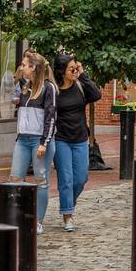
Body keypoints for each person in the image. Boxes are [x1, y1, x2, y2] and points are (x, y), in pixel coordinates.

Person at [52, 53, 103, 233]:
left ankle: (68, 204)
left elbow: (96, 94)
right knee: (66, 179)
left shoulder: (80, 86)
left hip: (80, 138)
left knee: (81, 178)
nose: (74, 71)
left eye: (76, 68)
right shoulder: (54, 90)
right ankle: (68, 215)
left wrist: (83, 74)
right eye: (71, 69)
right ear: (62, 71)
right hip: (61, 139)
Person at [10, 50, 57, 234]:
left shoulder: (48, 88)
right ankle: (15, 216)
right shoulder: (25, 87)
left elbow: (50, 116)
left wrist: (44, 142)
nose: (21, 67)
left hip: (39, 139)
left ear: (33, 68)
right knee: (15, 178)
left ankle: (38, 220)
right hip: (23, 138)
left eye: (24, 65)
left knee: (41, 180)